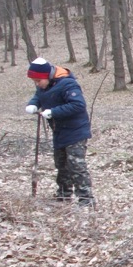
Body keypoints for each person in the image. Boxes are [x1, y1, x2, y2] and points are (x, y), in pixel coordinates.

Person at [25, 57, 95, 206]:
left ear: (47, 76)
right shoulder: (44, 86)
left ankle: (86, 200)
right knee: (61, 165)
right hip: (59, 131)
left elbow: (78, 105)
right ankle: (63, 196)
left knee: (76, 166)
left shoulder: (68, 84)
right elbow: (39, 96)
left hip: (76, 131)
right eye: (34, 81)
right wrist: (33, 104)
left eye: (38, 81)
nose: (37, 84)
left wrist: (53, 112)